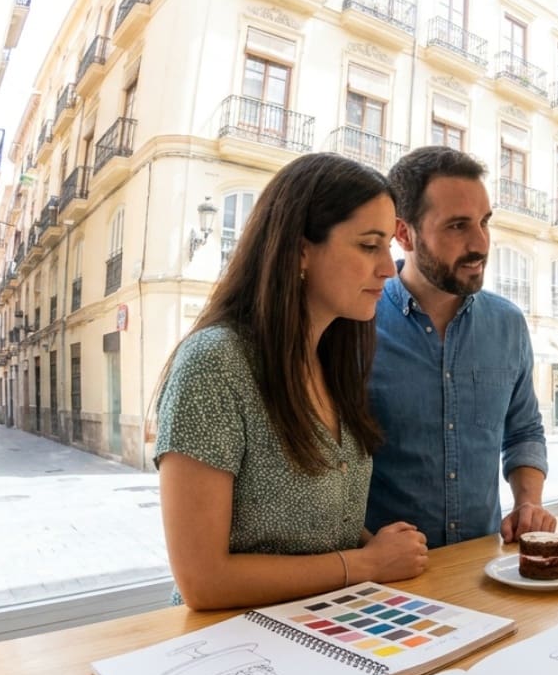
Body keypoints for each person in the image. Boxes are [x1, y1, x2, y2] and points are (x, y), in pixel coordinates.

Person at [154, 153, 428, 610]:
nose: (389, 267)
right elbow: (203, 580)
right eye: (369, 246)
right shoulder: (214, 364)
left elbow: (311, 528)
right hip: (236, 639)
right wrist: (367, 563)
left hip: (323, 624)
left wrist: (378, 547)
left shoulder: (332, 362)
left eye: (388, 249)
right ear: (300, 250)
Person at [366, 146, 556, 549]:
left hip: (482, 566)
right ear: (404, 234)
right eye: (457, 226)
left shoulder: (508, 324)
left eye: (484, 222)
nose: (480, 244)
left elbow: (523, 430)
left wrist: (528, 502)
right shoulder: (358, 323)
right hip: (385, 576)